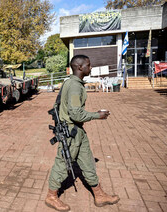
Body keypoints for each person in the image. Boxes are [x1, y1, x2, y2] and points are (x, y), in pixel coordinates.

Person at [45, 55, 120, 211]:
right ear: (80, 67)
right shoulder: (74, 86)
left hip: (78, 131)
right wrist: (97, 115)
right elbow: (76, 114)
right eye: (88, 65)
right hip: (71, 132)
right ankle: (51, 196)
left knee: (87, 162)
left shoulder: (71, 82)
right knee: (63, 164)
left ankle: (99, 195)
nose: (90, 67)